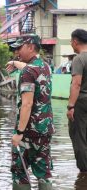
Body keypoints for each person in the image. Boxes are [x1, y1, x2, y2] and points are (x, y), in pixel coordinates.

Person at [7, 34, 55, 190]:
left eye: (19, 48)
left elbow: (27, 104)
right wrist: (15, 63)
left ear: (31, 47)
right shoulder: (45, 67)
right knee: (44, 172)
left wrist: (19, 132)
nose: (17, 52)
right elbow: (29, 68)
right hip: (45, 130)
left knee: (19, 171)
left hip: (28, 132)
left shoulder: (28, 72)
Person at [67, 29, 87, 174]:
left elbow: (76, 84)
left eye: (70, 41)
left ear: (75, 41)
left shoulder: (79, 59)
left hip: (81, 102)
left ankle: (84, 173)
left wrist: (70, 106)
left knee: (79, 136)